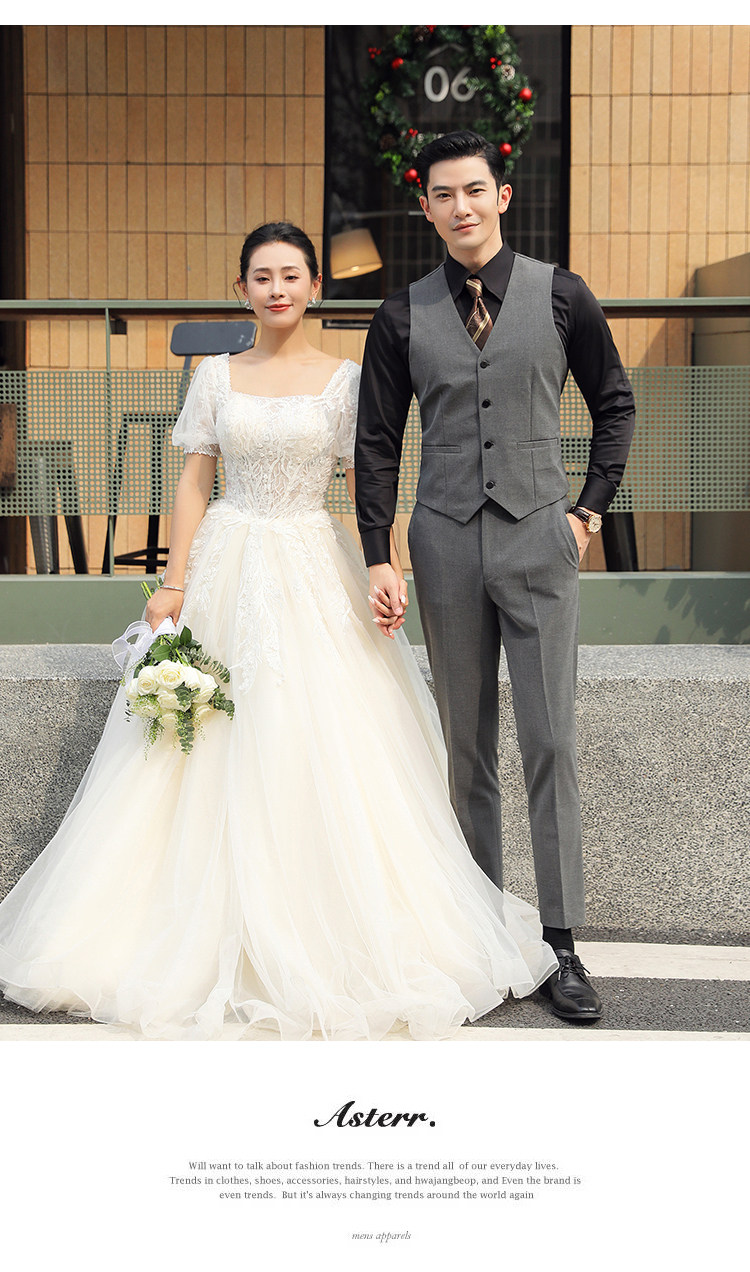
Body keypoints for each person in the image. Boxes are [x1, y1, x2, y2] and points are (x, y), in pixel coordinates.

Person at [0, 221, 558, 1041]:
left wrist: (386, 563)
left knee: (325, 737)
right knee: (201, 744)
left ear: (314, 287)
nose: (277, 289)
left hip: (312, 560)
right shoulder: (216, 377)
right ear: (242, 290)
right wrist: (173, 583)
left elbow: (369, 481)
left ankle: (330, 933)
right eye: (261, 277)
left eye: (291, 275)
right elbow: (193, 482)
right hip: (227, 562)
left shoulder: (346, 379)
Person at [355, 132, 636, 1024]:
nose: (461, 207)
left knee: (550, 743)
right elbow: (375, 442)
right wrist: (377, 550)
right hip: (442, 543)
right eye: (444, 195)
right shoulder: (401, 315)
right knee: (465, 750)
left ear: (502, 196)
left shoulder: (561, 294)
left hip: (541, 538)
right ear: (426, 209)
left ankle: (561, 944)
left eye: (475, 190)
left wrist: (586, 513)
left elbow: (615, 403)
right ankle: (480, 937)